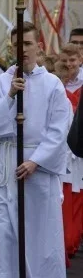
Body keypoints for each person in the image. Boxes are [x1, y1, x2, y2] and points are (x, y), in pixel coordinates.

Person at [0, 21, 70, 278]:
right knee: (4, 231)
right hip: (6, 161)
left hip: (36, 166)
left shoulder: (52, 84)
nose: (23, 50)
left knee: (37, 233)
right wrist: (9, 97)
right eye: (18, 45)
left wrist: (36, 161)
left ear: (38, 46)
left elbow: (59, 129)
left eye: (28, 44)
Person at [59, 44, 83, 263]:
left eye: (73, 61)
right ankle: (68, 242)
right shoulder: (57, 86)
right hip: (63, 149)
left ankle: (73, 239)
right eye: (65, 61)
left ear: (80, 59)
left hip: (79, 146)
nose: (69, 65)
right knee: (68, 196)